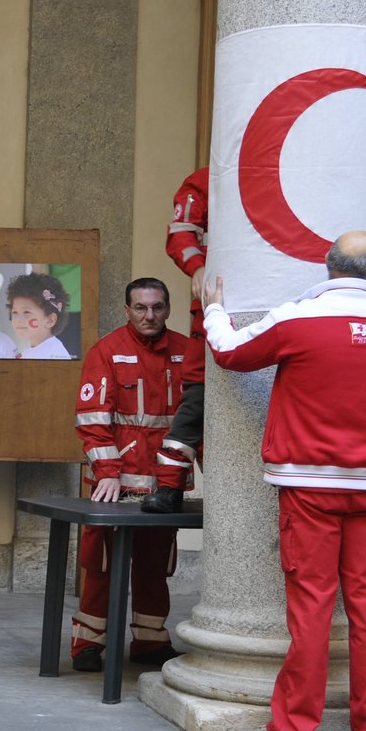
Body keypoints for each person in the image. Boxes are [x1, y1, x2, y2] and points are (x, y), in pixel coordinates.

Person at [203, 231, 366, 731]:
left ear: (327, 268)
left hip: (309, 483)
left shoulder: (296, 318)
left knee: (312, 609)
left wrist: (213, 310)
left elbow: (230, 353)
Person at [69, 277, 193, 670]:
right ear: (127, 311)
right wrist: (107, 471)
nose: (149, 315)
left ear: (168, 308)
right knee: (102, 566)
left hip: (164, 484)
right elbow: (92, 421)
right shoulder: (106, 351)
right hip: (114, 485)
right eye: (140, 308)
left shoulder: (187, 351)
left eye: (157, 307)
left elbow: (197, 418)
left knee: (154, 566)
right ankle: (87, 644)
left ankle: (150, 642)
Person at [144, 168, 209, 514]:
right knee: (197, 395)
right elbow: (181, 233)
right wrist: (198, 267)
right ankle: (170, 487)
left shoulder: (292, 169)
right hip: (217, 309)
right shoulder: (209, 180)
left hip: (280, 314)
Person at [6, 271, 72, 360]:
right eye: (14, 312)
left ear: (50, 320)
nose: (17, 319)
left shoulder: (55, 355)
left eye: (26, 312)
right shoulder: (31, 349)